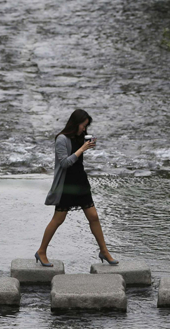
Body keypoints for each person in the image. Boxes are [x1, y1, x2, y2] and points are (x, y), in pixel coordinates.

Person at [35, 109, 119, 267]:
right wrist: (82, 149)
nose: (84, 129)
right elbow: (65, 163)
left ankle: (104, 251)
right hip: (66, 185)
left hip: (81, 182)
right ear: (76, 123)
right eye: (83, 126)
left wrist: (88, 145)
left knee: (93, 216)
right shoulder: (61, 139)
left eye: (86, 127)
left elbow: (78, 160)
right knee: (58, 219)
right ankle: (41, 251)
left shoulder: (80, 137)